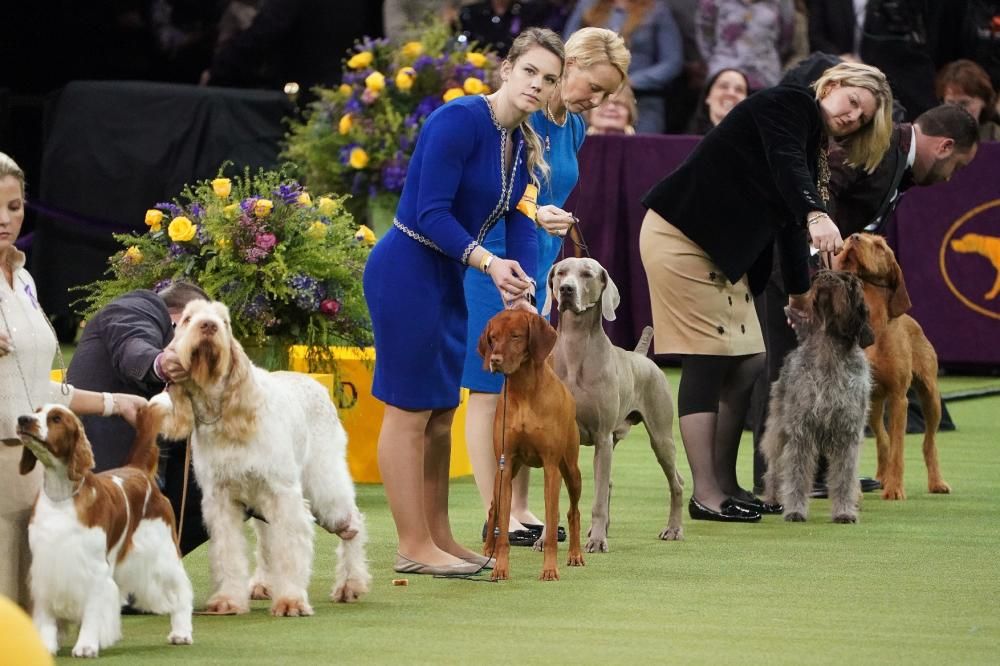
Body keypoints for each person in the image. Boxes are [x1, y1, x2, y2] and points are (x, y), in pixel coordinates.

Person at [638, 62, 893, 522]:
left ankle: (727, 482)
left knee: (751, 359)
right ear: (832, 85)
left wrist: (798, 295)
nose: (854, 117)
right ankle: (705, 495)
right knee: (709, 356)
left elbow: (789, 226)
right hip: (683, 236)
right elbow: (784, 164)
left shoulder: (812, 148)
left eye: (864, 117)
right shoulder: (789, 103)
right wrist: (816, 212)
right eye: (853, 102)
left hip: (721, 253)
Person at [362, 28, 565, 576]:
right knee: (408, 410)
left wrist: (520, 280)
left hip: (445, 276)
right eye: (530, 72)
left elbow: (517, 217)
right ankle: (411, 546)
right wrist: (488, 263)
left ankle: (440, 537)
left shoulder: (523, 143)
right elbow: (430, 213)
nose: (538, 85)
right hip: (405, 271)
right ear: (506, 69)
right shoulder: (455, 120)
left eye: (549, 80)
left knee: (441, 412)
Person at [750, 102, 980, 493]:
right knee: (785, 370)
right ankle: (780, 477)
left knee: (811, 370)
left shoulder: (896, 161)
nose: (948, 178)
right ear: (943, 146)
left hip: (806, 270)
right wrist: (816, 250)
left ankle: (816, 473)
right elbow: (822, 185)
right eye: (956, 166)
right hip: (785, 266)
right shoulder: (881, 147)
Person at [462, 27, 631, 545]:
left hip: (542, 263)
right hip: (492, 258)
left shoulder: (573, 125)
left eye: (606, 94)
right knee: (492, 385)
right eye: (592, 85)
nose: (595, 100)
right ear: (569, 63)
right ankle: (497, 510)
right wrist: (535, 212)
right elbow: (504, 191)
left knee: (534, 382)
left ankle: (523, 505)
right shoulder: (524, 114)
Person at [0, 152, 147, 608]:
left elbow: (36, 385)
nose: (6, 219)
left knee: (34, 622)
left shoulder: (23, 279)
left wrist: (113, 401)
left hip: (33, 463)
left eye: (14, 206)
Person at [65, 281, 211, 556]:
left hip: (155, 477)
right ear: (181, 318)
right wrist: (162, 363)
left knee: (243, 469)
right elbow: (133, 346)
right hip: (102, 478)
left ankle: (154, 565)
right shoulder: (137, 306)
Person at [564, 0, 683, 134]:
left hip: (643, 99)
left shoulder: (657, 10)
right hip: (589, 97)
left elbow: (672, 62)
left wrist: (630, 82)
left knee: (645, 150)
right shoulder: (587, 5)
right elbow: (569, 52)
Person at [695, 0, 796, 92]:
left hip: (765, 77)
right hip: (722, 74)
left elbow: (786, 38)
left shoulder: (783, 2)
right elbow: (705, 34)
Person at [936, 59, 1000, 142]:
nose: (956, 110)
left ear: (984, 101)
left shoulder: (994, 134)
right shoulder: (933, 136)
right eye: (950, 103)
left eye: (964, 103)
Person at [686, 66, 749, 134]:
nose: (731, 93)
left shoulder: (759, 141)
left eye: (739, 90)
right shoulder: (684, 142)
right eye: (723, 86)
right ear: (707, 97)